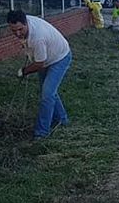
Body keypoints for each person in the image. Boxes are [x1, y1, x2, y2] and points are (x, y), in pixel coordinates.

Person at [7, 9, 72, 140]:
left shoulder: (38, 37)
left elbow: (39, 64)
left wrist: (23, 71)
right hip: (46, 57)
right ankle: (62, 119)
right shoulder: (26, 22)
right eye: (14, 31)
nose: (18, 33)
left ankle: (42, 133)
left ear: (26, 23)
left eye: (20, 29)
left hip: (59, 58)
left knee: (47, 94)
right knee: (49, 91)